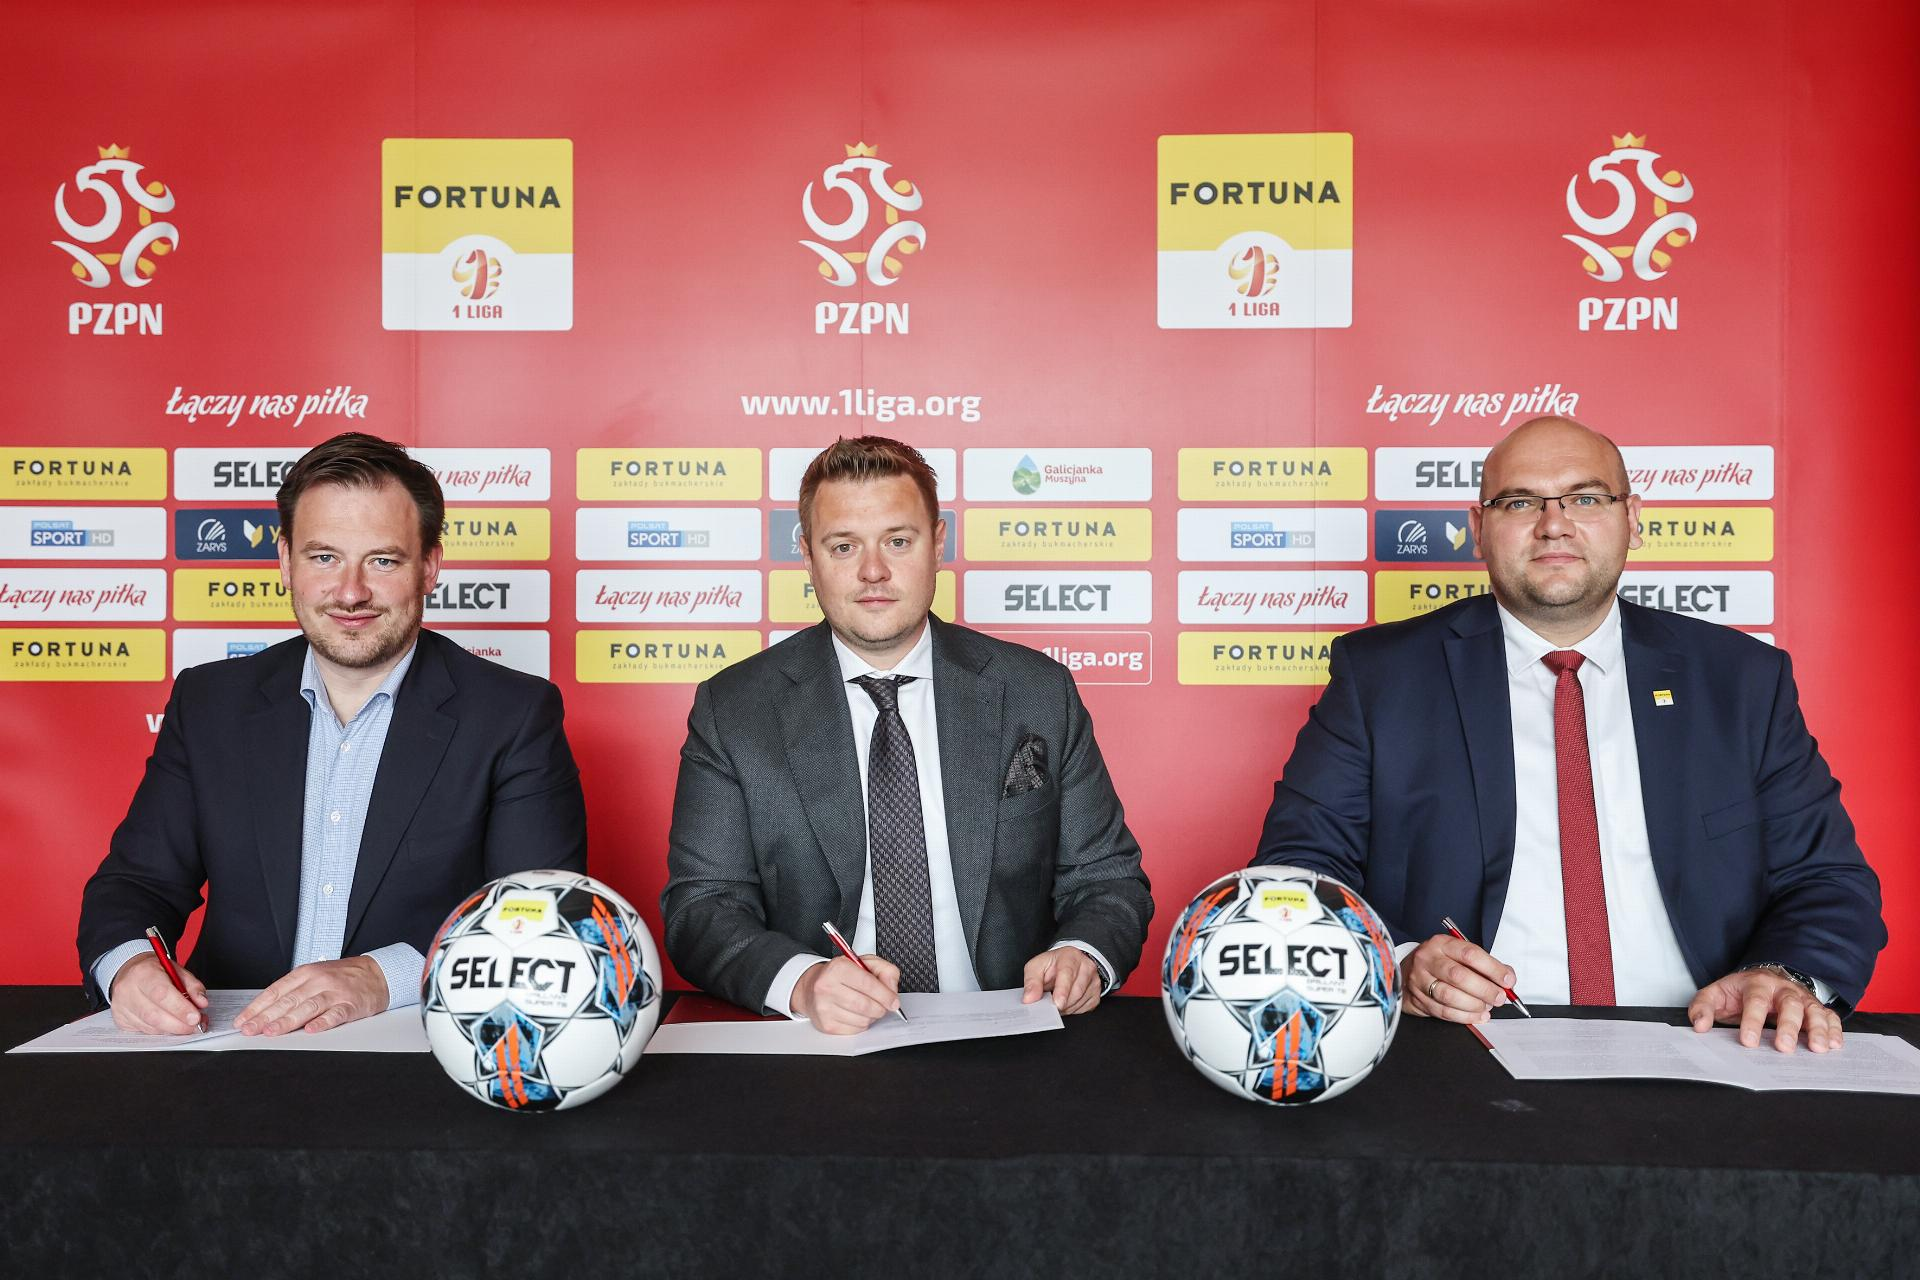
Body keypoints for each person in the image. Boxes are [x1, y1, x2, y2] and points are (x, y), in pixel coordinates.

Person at [1254, 416, 1883, 1053]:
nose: (1554, 524)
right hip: (1466, 1049)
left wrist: (1782, 976)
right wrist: (1399, 964)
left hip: (1709, 1043)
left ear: (1632, 517)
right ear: (1477, 529)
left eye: (1585, 498)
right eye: (1519, 502)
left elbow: (1827, 880)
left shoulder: (1741, 679)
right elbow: (1297, 873)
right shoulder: (1381, 677)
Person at [77, 432, 588, 1036]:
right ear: (284, 560)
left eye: (383, 560)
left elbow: (535, 916)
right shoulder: (210, 702)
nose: (351, 591)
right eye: (324, 557)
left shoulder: (513, 714)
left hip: (414, 1049)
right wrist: (130, 967)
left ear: (429, 567)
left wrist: (383, 977)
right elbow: (137, 884)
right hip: (228, 1048)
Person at [662, 436, 1152, 1033]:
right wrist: (805, 983)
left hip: (1011, 1038)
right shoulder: (735, 708)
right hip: (826, 1048)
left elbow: (1106, 880)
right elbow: (703, 906)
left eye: (898, 541)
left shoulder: (1037, 692)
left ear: (938, 544)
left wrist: (1083, 954)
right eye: (844, 546)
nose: (873, 571)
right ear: (808, 556)